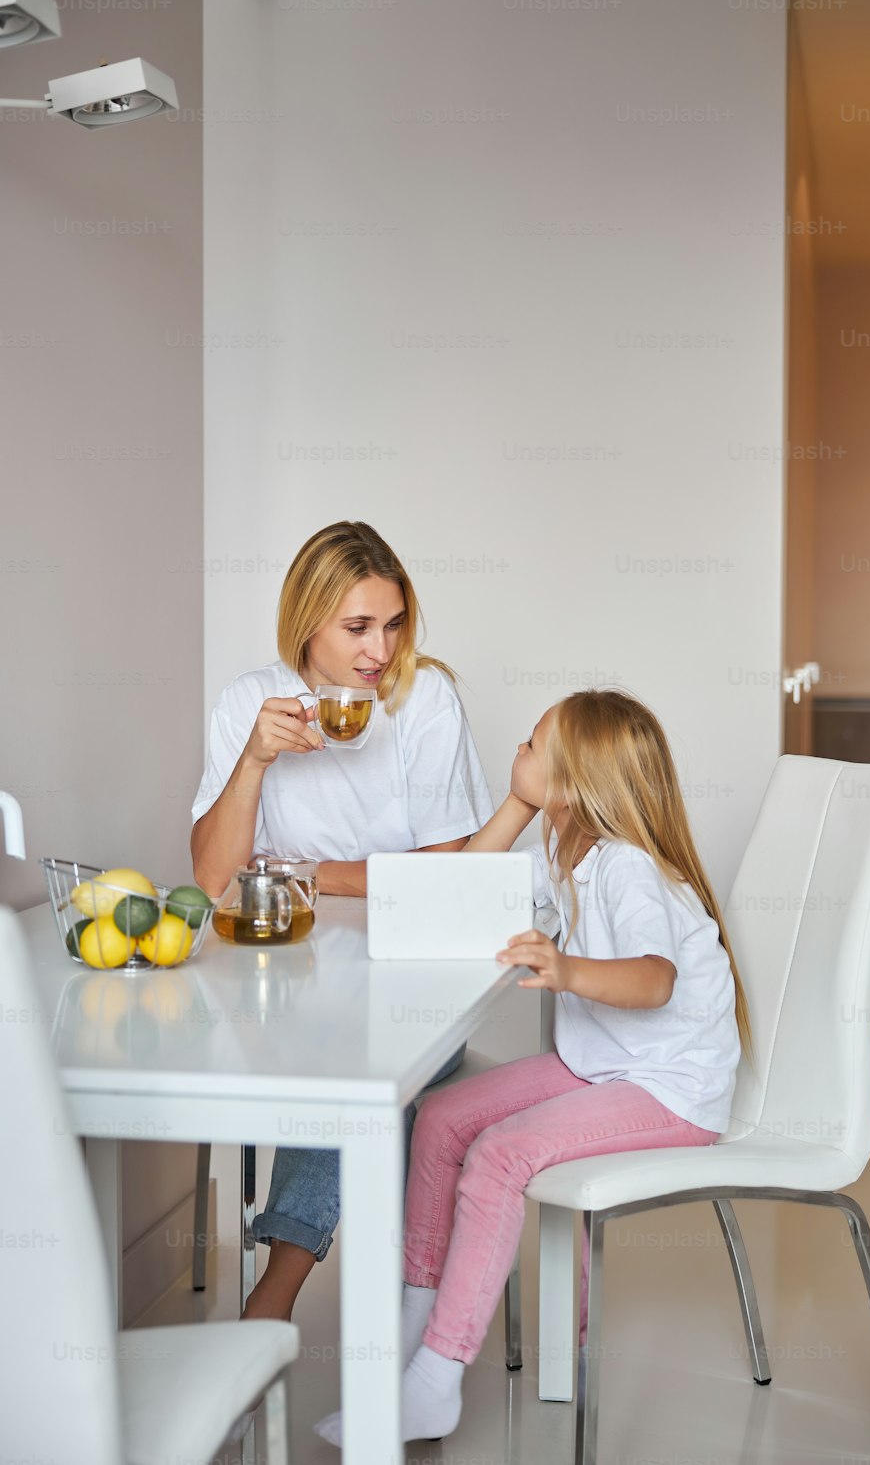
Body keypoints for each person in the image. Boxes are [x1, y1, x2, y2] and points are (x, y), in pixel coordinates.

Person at [314, 688, 751, 1447]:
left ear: (577, 779)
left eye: (531, 745)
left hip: (671, 1088)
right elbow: (457, 889)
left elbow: (655, 979)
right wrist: (521, 803)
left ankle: (434, 1380)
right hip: (607, 1065)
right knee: (443, 1117)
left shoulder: (628, 868)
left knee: (499, 1153)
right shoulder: (569, 853)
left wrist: (568, 970)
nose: (516, 750)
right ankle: (415, 1332)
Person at [190, 521, 494, 1319]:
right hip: (279, 984)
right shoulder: (248, 703)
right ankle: (391, 1308)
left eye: (393, 625)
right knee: (309, 1047)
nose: (381, 651)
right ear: (307, 623)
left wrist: (301, 875)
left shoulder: (423, 699)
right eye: (358, 627)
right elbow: (215, 880)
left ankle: (273, 1292)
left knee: (346, 1064)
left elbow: (447, 875)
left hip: (417, 981)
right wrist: (255, 760)